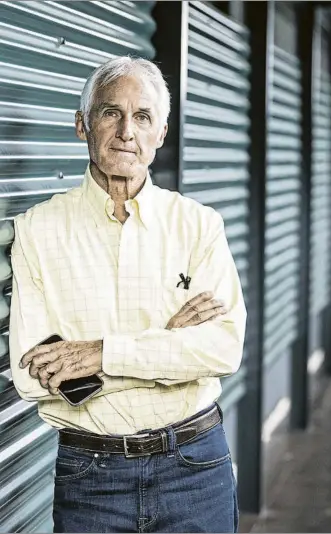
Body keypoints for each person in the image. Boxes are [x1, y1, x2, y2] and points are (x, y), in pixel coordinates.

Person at [9, 56, 247, 533]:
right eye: (110, 112)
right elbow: (32, 377)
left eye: (142, 117)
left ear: (161, 132)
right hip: (90, 475)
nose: (126, 131)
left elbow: (223, 348)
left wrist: (98, 355)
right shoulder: (37, 231)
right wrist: (168, 348)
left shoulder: (198, 225)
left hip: (195, 469)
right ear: (83, 124)